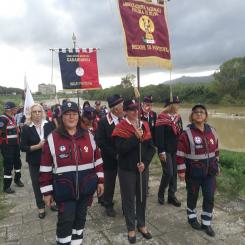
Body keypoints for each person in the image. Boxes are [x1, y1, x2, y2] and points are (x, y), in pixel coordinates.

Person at [39, 101, 104, 245]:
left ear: (78, 116)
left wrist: (100, 181)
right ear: (62, 117)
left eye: (74, 114)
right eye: (67, 114)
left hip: (86, 189)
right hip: (64, 192)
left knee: (80, 222)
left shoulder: (89, 135)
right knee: (65, 223)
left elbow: (97, 159)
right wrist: (47, 192)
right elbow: (44, 168)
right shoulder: (52, 138)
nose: (71, 117)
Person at [112, 99, 155, 244]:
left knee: (142, 196)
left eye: (136, 109)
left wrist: (146, 163)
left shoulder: (145, 125)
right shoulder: (120, 127)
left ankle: (141, 224)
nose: (135, 112)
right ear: (125, 112)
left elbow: (151, 148)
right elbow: (120, 150)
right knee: (129, 198)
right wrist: (135, 137)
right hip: (126, 170)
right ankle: (130, 227)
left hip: (142, 169)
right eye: (131, 109)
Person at [176, 104, 219, 237]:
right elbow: (180, 153)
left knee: (209, 197)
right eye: (196, 112)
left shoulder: (212, 130)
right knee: (192, 196)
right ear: (192, 116)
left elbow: (216, 150)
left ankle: (206, 223)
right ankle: (192, 218)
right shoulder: (186, 133)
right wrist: (181, 171)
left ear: (206, 115)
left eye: (202, 112)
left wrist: (218, 166)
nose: (199, 114)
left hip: (210, 172)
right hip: (193, 173)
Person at [20, 103, 56, 219]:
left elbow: (56, 140)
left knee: (51, 181)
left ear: (42, 113)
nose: (37, 114)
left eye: (39, 111)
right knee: (37, 184)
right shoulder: (26, 128)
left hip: (49, 161)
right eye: (34, 112)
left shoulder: (49, 125)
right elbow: (23, 147)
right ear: (31, 114)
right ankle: (40, 207)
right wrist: (37, 146)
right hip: (34, 162)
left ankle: (52, 202)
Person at [96, 94, 124, 217]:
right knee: (109, 183)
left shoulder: (124, 120)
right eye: (123, 106)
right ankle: (108, 204)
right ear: (116, 109)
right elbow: (100, 141)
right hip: (110, 159)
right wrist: (115, 154)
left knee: (125, 183)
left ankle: (126, 205)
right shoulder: (103, 122)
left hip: (125, 159)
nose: (124, 109)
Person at [155, 96, 183, 207]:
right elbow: (159, 136)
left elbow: (180, 132)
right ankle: (161, 193)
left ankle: (171, 195)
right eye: (176, 104)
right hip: (165, 150)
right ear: (171, 105)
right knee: (168, 173)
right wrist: (161, 151)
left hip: (175, 149)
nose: (178, 106)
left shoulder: (178, 117)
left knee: (174, 173)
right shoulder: (161, 117)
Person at [0, 102, 24, 194]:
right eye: (15, 108)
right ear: (9, 109)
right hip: (7, 146)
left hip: (15, 145)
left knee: (18, 163)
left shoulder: (12, 118)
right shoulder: (3, 119)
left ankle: (17, 179)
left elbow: (13, 130)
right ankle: (6, 186)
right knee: (8, 165)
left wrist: (18, 128)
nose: (16, 110)